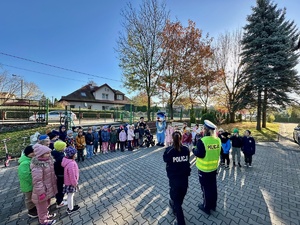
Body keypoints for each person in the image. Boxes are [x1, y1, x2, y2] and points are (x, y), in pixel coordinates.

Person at [193, 120, 221, 215]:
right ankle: (213, 205)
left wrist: (193, 150)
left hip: (204, 170)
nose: (203, 130)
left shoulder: (202, 141)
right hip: (213, 169)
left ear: (206, 130)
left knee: (205, 189)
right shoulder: (218, 140)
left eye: (203, 128)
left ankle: (206, 207)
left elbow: (199, 154)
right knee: (213, 187)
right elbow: (219, 152)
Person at [163, 131, 191, 225]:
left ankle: (180, 221)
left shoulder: (169, 150)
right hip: (184, 179)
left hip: (175, 180)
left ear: (172, 139)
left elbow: (165, 159)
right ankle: (175, 207)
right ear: (181, 138)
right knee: (179, 198)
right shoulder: (186, 149)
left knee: (177, 201)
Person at [31, 144, 58, 225]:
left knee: (46, 205)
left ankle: (46, 216)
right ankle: (43, 221)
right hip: (42, 191)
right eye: (47, 153)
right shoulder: (38, 165)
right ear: (41, 154)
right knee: (41, 208)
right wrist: (41, 192)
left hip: (48, 189)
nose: (49, 154)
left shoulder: (48, 161)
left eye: (49, 152)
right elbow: (37, 180)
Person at [18, 145, 37, 218]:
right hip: (28, 185)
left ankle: (34, 208)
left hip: (32, 184)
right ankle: (31, 211)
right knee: (29, 198)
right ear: (29, 153)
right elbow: (26, 175)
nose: (35, 153)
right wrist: (34, 181)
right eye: (33, 152)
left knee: (32, 197)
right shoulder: (25, 163)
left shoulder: (30, 159)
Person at [62, 146, 80, 215]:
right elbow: (72, 176)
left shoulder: (67, 161)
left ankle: (70, 207)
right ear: (72, 155)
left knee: (70, 195)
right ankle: (70, 209)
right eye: (75, 153)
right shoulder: (71, 164)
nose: (76, 154)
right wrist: (75, 183)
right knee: (70, 195)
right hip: (71, 183)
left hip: (69, 182)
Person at [52, 141, 68, 208]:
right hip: (61, 175)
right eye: (64, 147)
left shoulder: (54, 154)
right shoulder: (61, 157)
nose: (65, 148)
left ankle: (59, 199)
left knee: (59, 188)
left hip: (57, 174)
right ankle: (60, 202)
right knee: (61, 188)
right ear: (61, 148)